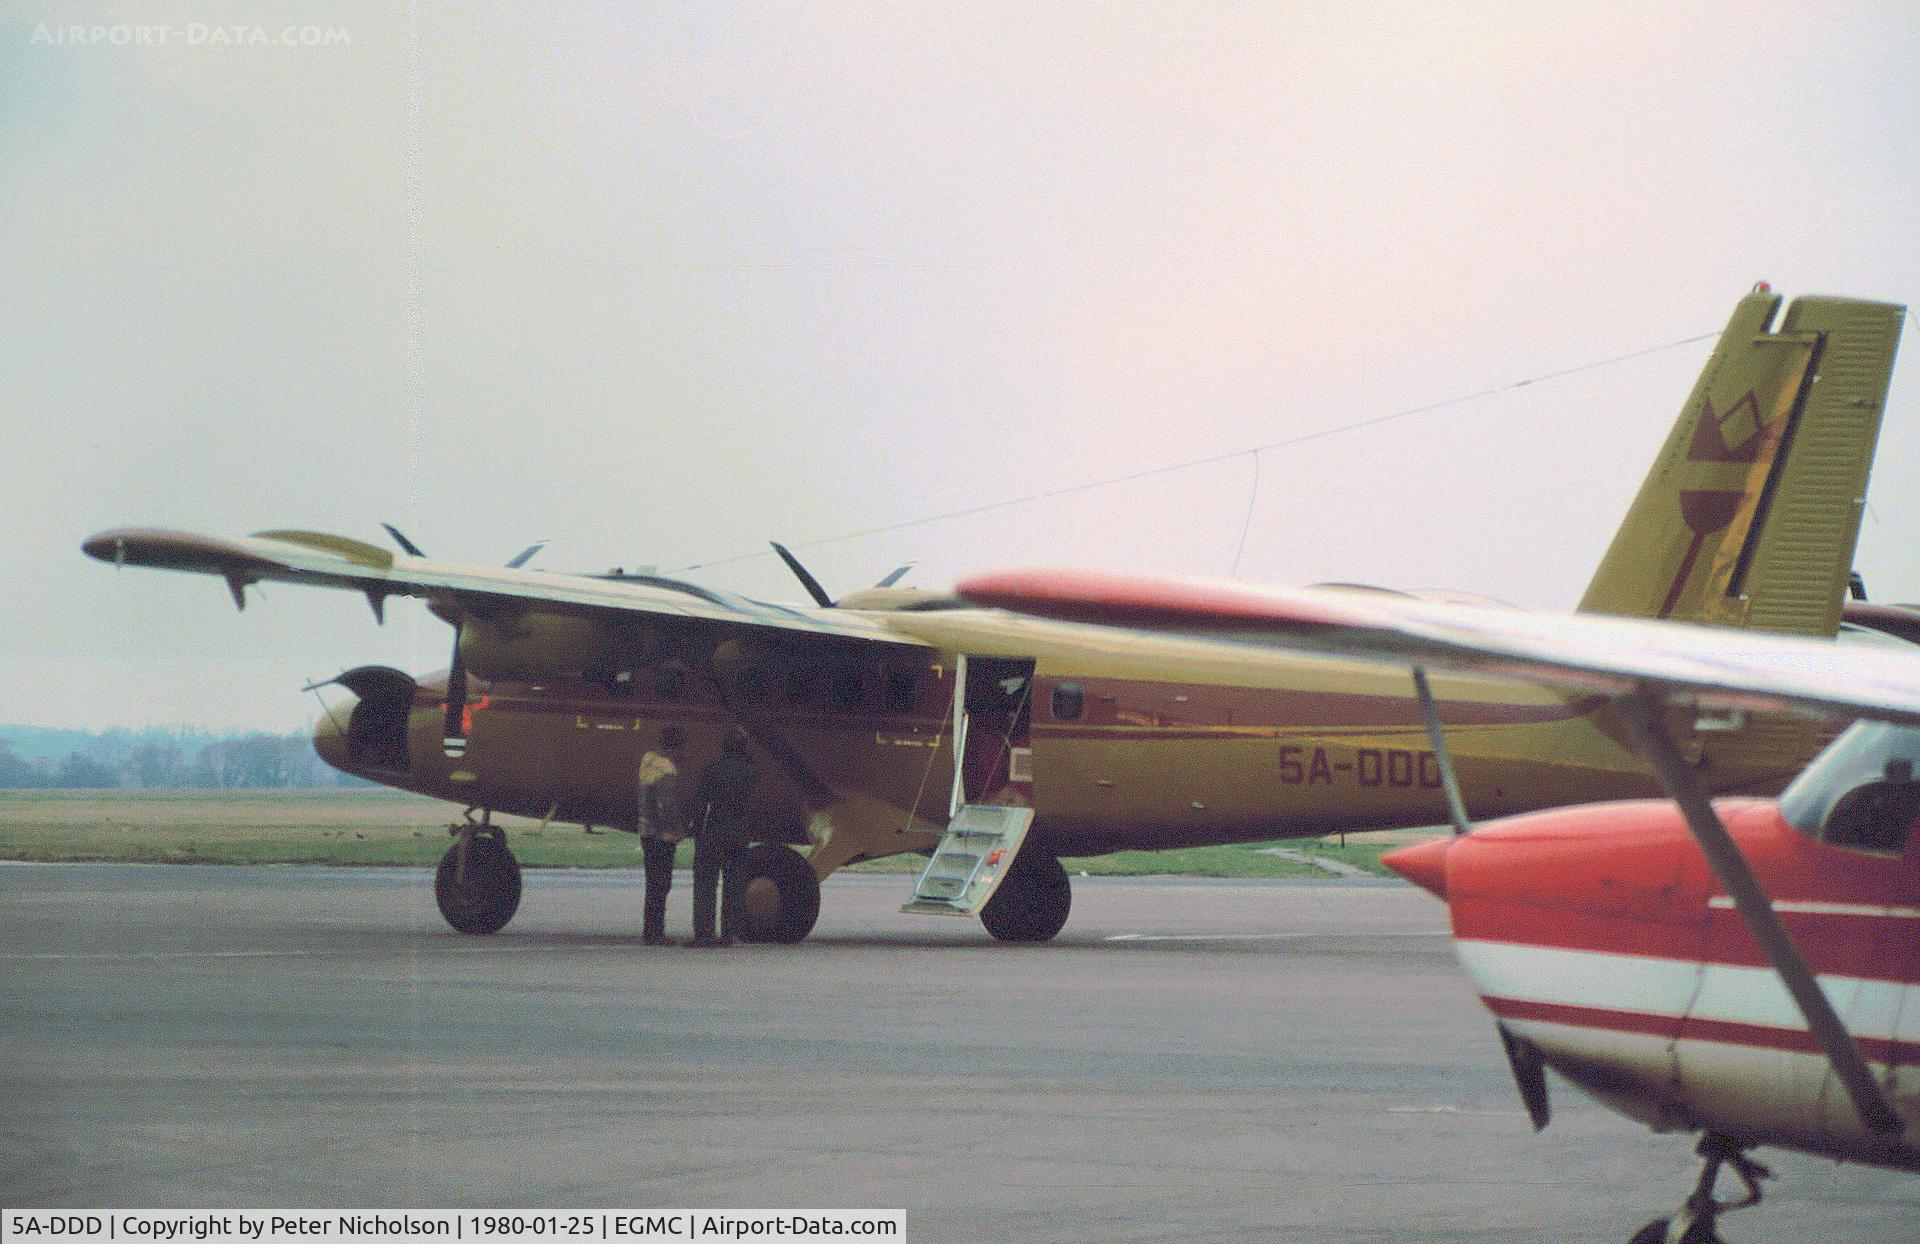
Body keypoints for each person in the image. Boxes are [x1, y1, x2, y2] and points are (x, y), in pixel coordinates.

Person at [687, 729, 758, 947]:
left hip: (713, 830)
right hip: (738, 832)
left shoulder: (711, 770)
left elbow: (701, 803)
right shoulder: (751, 772)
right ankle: (731, 932)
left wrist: (696, 828)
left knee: (706, 885)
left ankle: (704, 932)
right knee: (734, 885)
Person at [634, 726, 690, 945]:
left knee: (652, 884)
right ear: (677, 747)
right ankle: (656, 933)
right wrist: (676, 830)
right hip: (661, 835)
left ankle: (650, 931)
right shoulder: (667, 769)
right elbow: (667, 805)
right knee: (662, 885)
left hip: (646, 831)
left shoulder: (648, 761)